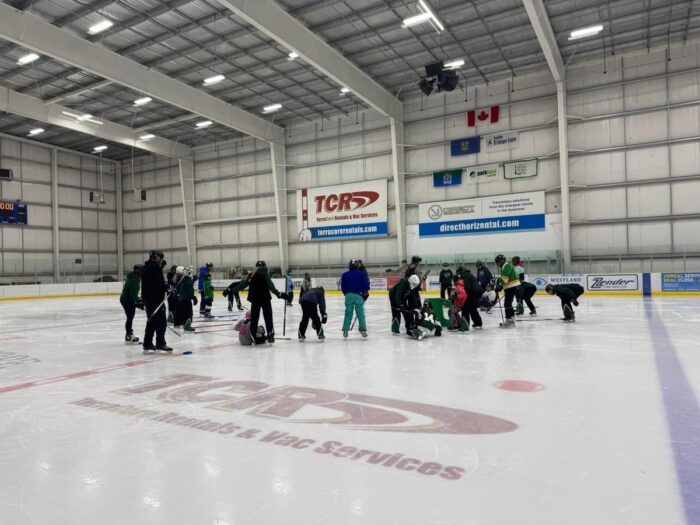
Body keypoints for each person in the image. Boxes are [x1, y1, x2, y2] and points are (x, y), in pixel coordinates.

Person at [231, 261, 289, 345]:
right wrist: (278, 294)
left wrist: (232, 290)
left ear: (256, 267)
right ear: (265, 266)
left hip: (255, 299)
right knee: (268, 318)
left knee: (254, 319)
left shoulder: (251, 275)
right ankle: (270, 336)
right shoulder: (265, 274)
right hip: (265, 299)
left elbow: (243, 285)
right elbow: (270, 285)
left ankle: (253, 336)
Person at [141, 250, 171, 353]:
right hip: (155, 299)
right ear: (155, 257)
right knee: (161, 322)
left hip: (148, 298)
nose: (161, 260)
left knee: (151, 321)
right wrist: (166, 288)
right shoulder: (153, 268)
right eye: (160, 258)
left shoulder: (147, 267)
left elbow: (153, 280)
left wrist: (160, 268)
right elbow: (157, 283)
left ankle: (147, 343)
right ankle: (160, 344)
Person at [340, 259, 370, 338]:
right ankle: (363, 330)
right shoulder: (362, 273)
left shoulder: (344, 275)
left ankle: (345, 331)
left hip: (348, 296)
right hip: (358, 295)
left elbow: (343, 287)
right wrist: (364, 292)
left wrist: (346, 294)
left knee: (348, 313)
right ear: (357, 266)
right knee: (360, 313)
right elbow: (366, 284)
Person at [494, 254, 520, 328]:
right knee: (508, 303)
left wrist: (499, 285)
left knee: (507, 303)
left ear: (501, 261)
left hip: (511, 286)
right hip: (510, 286)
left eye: (497, 262)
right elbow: (503, 277)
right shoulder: (505, 266)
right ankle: (511, 318)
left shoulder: (506, 266)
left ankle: (510, 319)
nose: (497, 264)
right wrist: (498, 283)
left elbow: (505, 278)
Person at [120, 264, 143, 343]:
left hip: (128, 299)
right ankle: (129, 335)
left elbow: (134, 294)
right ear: (139, 271)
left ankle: (129, 334)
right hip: (126, 300)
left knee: (130, 317)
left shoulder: (135, 278)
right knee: (130, 317)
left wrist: (138, 300)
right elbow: (133, 293)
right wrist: (137, 302)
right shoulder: (133, 280)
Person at [175, 266, 196, 332]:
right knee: (189, 313)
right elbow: (189, 289)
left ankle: (185, 325)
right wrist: (193, 297)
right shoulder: (185, 279)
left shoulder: (184, 278)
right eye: (188, 272)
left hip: (184, 298)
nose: (190, 273)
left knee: (186, 312)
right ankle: (187, 326)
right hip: (186, 298)